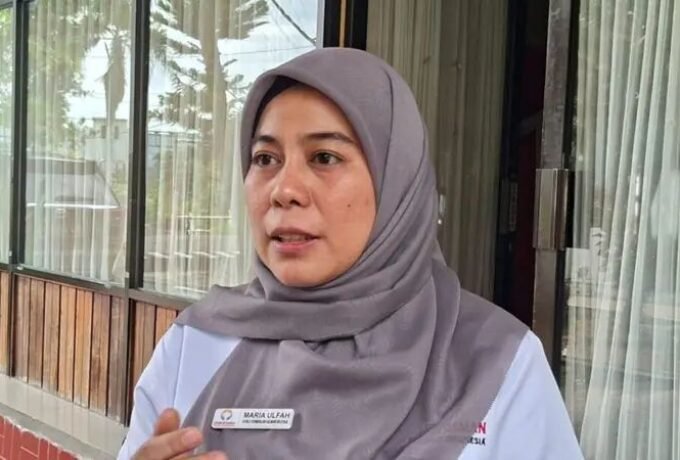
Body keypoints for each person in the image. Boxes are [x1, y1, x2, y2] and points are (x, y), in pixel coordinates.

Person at [118, 48, 583, 460]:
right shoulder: (196, 343)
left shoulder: (497, 360)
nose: (284, 190)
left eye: (324, 157)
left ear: (396, 182)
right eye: (265, 159)